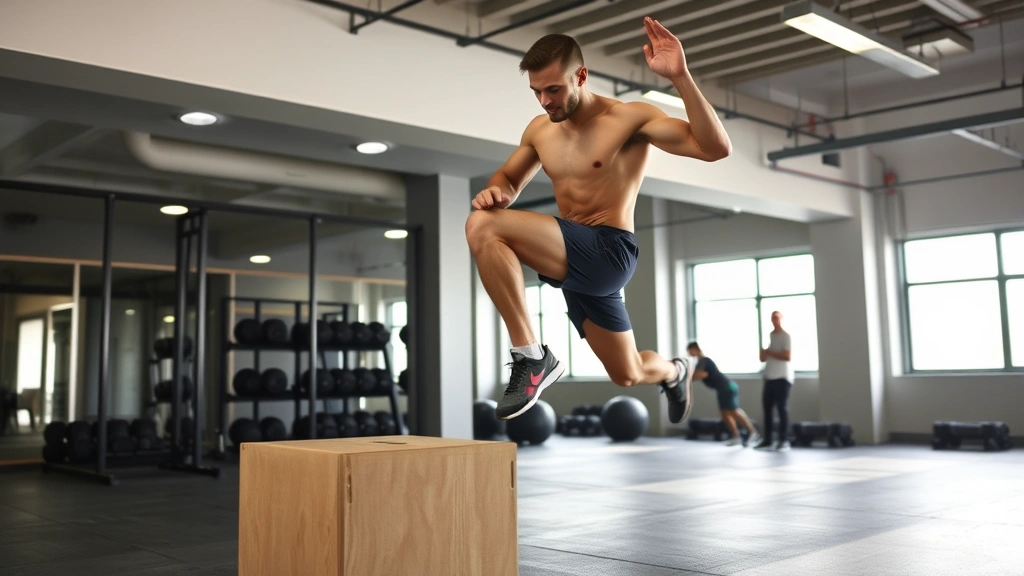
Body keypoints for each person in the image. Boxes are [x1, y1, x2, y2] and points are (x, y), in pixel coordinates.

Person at [464, 18, 732, 422]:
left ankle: (531, 358)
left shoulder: (629, 118)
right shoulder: (540, 130)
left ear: (581, 76)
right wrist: (496, 191)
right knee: (628, 373)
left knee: (482, 225)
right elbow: (508, 179)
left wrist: (680, 77)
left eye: (554, 89)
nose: (544, 101)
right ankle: (676, 371)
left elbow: (714, 148)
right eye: (537, 91)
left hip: (608, 250)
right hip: (574, 261)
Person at [686, 341, 762, 447]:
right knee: (725, 414)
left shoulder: (704, 361)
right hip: (721, 389)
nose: (689, 353)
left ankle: (753, 432)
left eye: (689, 350)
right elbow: (698, 375)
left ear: (695, 349)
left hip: (728, 387)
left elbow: (701, 374)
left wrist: (686, 377)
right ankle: (736, 436)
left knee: (733, 411)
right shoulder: (700, 362)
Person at [755, 311, 793, 451]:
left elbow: (787, 356)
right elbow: (762, 358)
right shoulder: (770, 336)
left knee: (782, 409)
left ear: (781, 319)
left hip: (782, 378)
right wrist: (765, 352)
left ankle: (784, 440)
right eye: (773, 318)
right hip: (769, 377)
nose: (774, 320)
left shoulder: (786, 336)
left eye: (777, 318)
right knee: (767, 410)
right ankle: (768, 440)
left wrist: (770, 352)